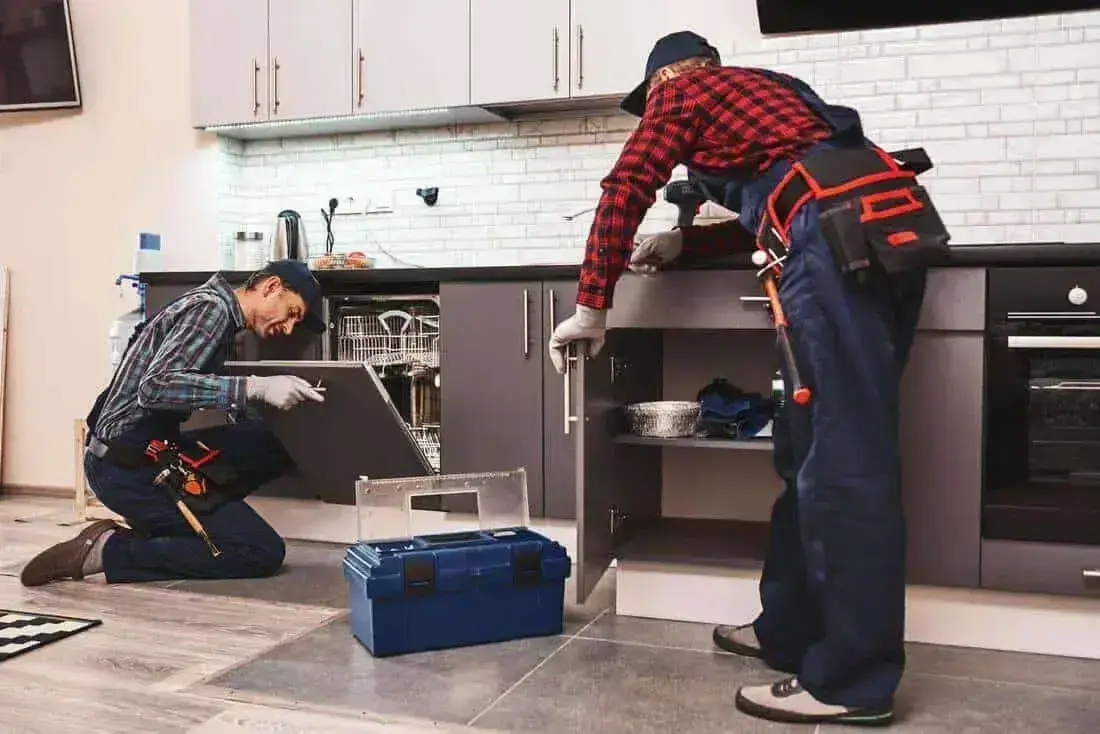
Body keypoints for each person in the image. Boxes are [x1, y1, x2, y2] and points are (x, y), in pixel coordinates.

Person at [548, 31, 950, 727]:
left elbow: (625, 187)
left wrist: (591, 305)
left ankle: (854, 679)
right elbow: (793, 188)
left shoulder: (682, 91)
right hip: (883, 226)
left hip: (831, 244)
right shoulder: (777, 93)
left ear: (663, 82)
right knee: (806, 449)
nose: (656, 117)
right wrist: (686, 239)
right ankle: (787, 629)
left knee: (844, 460)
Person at [21, 260, 328, 588]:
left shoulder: (210, 307)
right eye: (293, 313)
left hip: (143, 453)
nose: (291, 328)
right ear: (271, 287)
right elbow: (155, 388)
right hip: (127, 471)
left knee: (269, 442)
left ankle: (174, 524)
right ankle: (109, 551)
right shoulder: (211, 311)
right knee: (259, 550)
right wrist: (256, 386)